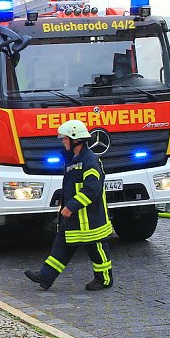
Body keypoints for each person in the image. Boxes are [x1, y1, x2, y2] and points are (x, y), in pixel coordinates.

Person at [24, 119, 113, 292]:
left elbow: (92, 190)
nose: (62, 141)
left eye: (65, 139)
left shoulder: (90, 161)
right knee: (61, 244)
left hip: (89, 219)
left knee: (97, 248)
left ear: (76, 140)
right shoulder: (74, 159)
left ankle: (105, 279)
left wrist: (71, 206)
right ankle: (45, 276)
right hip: (74, 218)